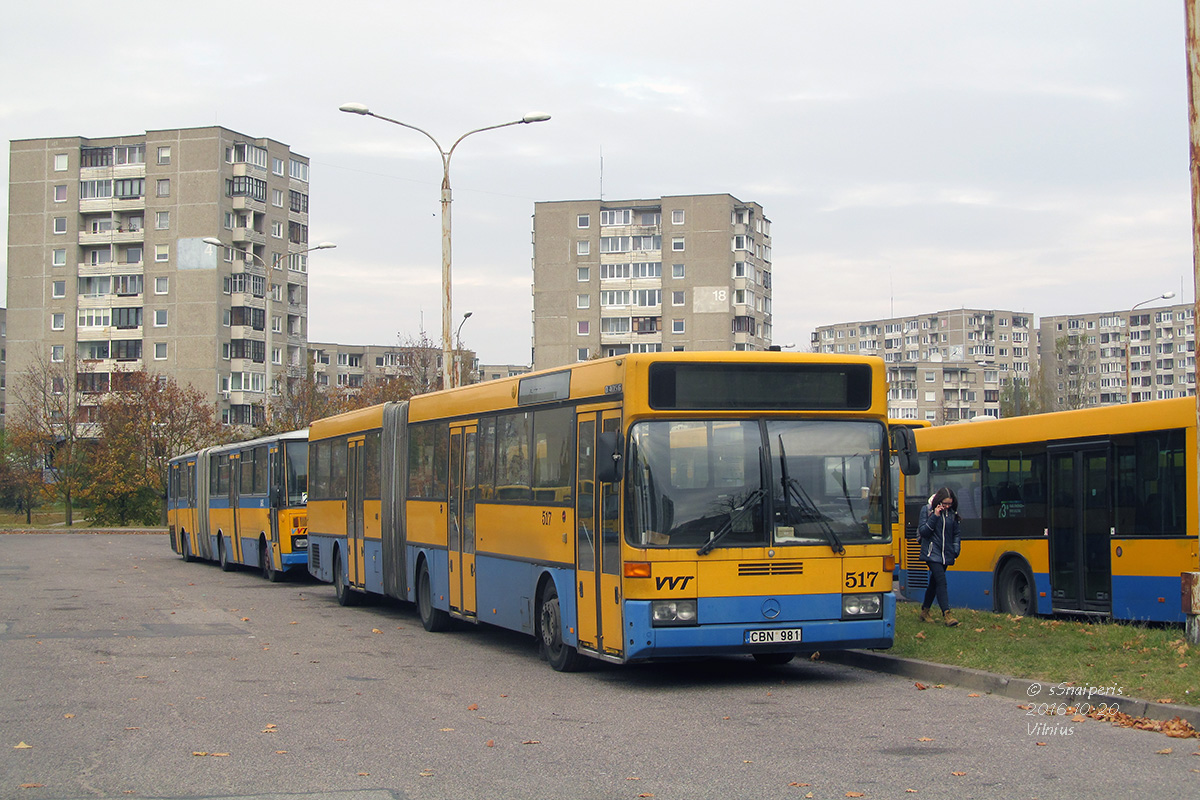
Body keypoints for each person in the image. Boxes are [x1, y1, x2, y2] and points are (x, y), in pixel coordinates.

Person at [916, 487, 961, 627]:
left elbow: (956, 534)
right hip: (931, 553)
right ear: (938, 501)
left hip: (945, 554)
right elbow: (924, 531)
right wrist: (935, 516)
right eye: (945, 503)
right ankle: (947, 614)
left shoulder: (952, 514)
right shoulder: (927, 510)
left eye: (949, 504)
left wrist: (955, 549)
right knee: (942, 582)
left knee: (934, 583)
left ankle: (925, 611)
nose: (947, 506)